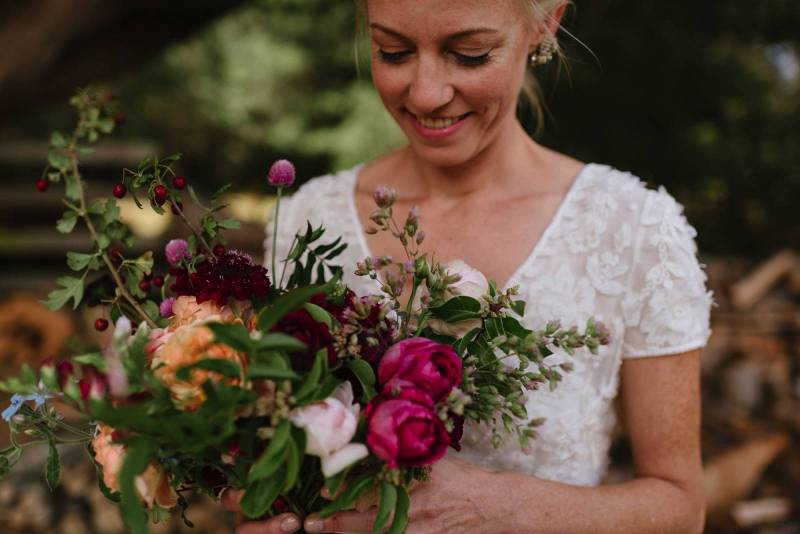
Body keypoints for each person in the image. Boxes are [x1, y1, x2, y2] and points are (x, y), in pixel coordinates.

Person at [223, 0, 713, 532]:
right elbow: (270, 457)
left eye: (469, 55)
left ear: (544, 25)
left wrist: (502, 509)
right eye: (394, 51)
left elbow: (681, 508)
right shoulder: (306, 221)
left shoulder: (635, 228)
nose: (426, 93)